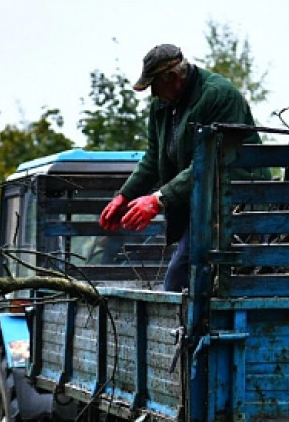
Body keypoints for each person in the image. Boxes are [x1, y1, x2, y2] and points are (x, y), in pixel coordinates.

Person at [98, 43, 266, 292]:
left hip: (236, 204)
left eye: (154, 86)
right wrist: (124, 196)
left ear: (174, 77)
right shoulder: (162, 106)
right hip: (201, 206)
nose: (153, 94)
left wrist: (158, 199)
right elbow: (154, 157)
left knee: (180, 281)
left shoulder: (218, 95)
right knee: (190, 280)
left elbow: (213, 162)